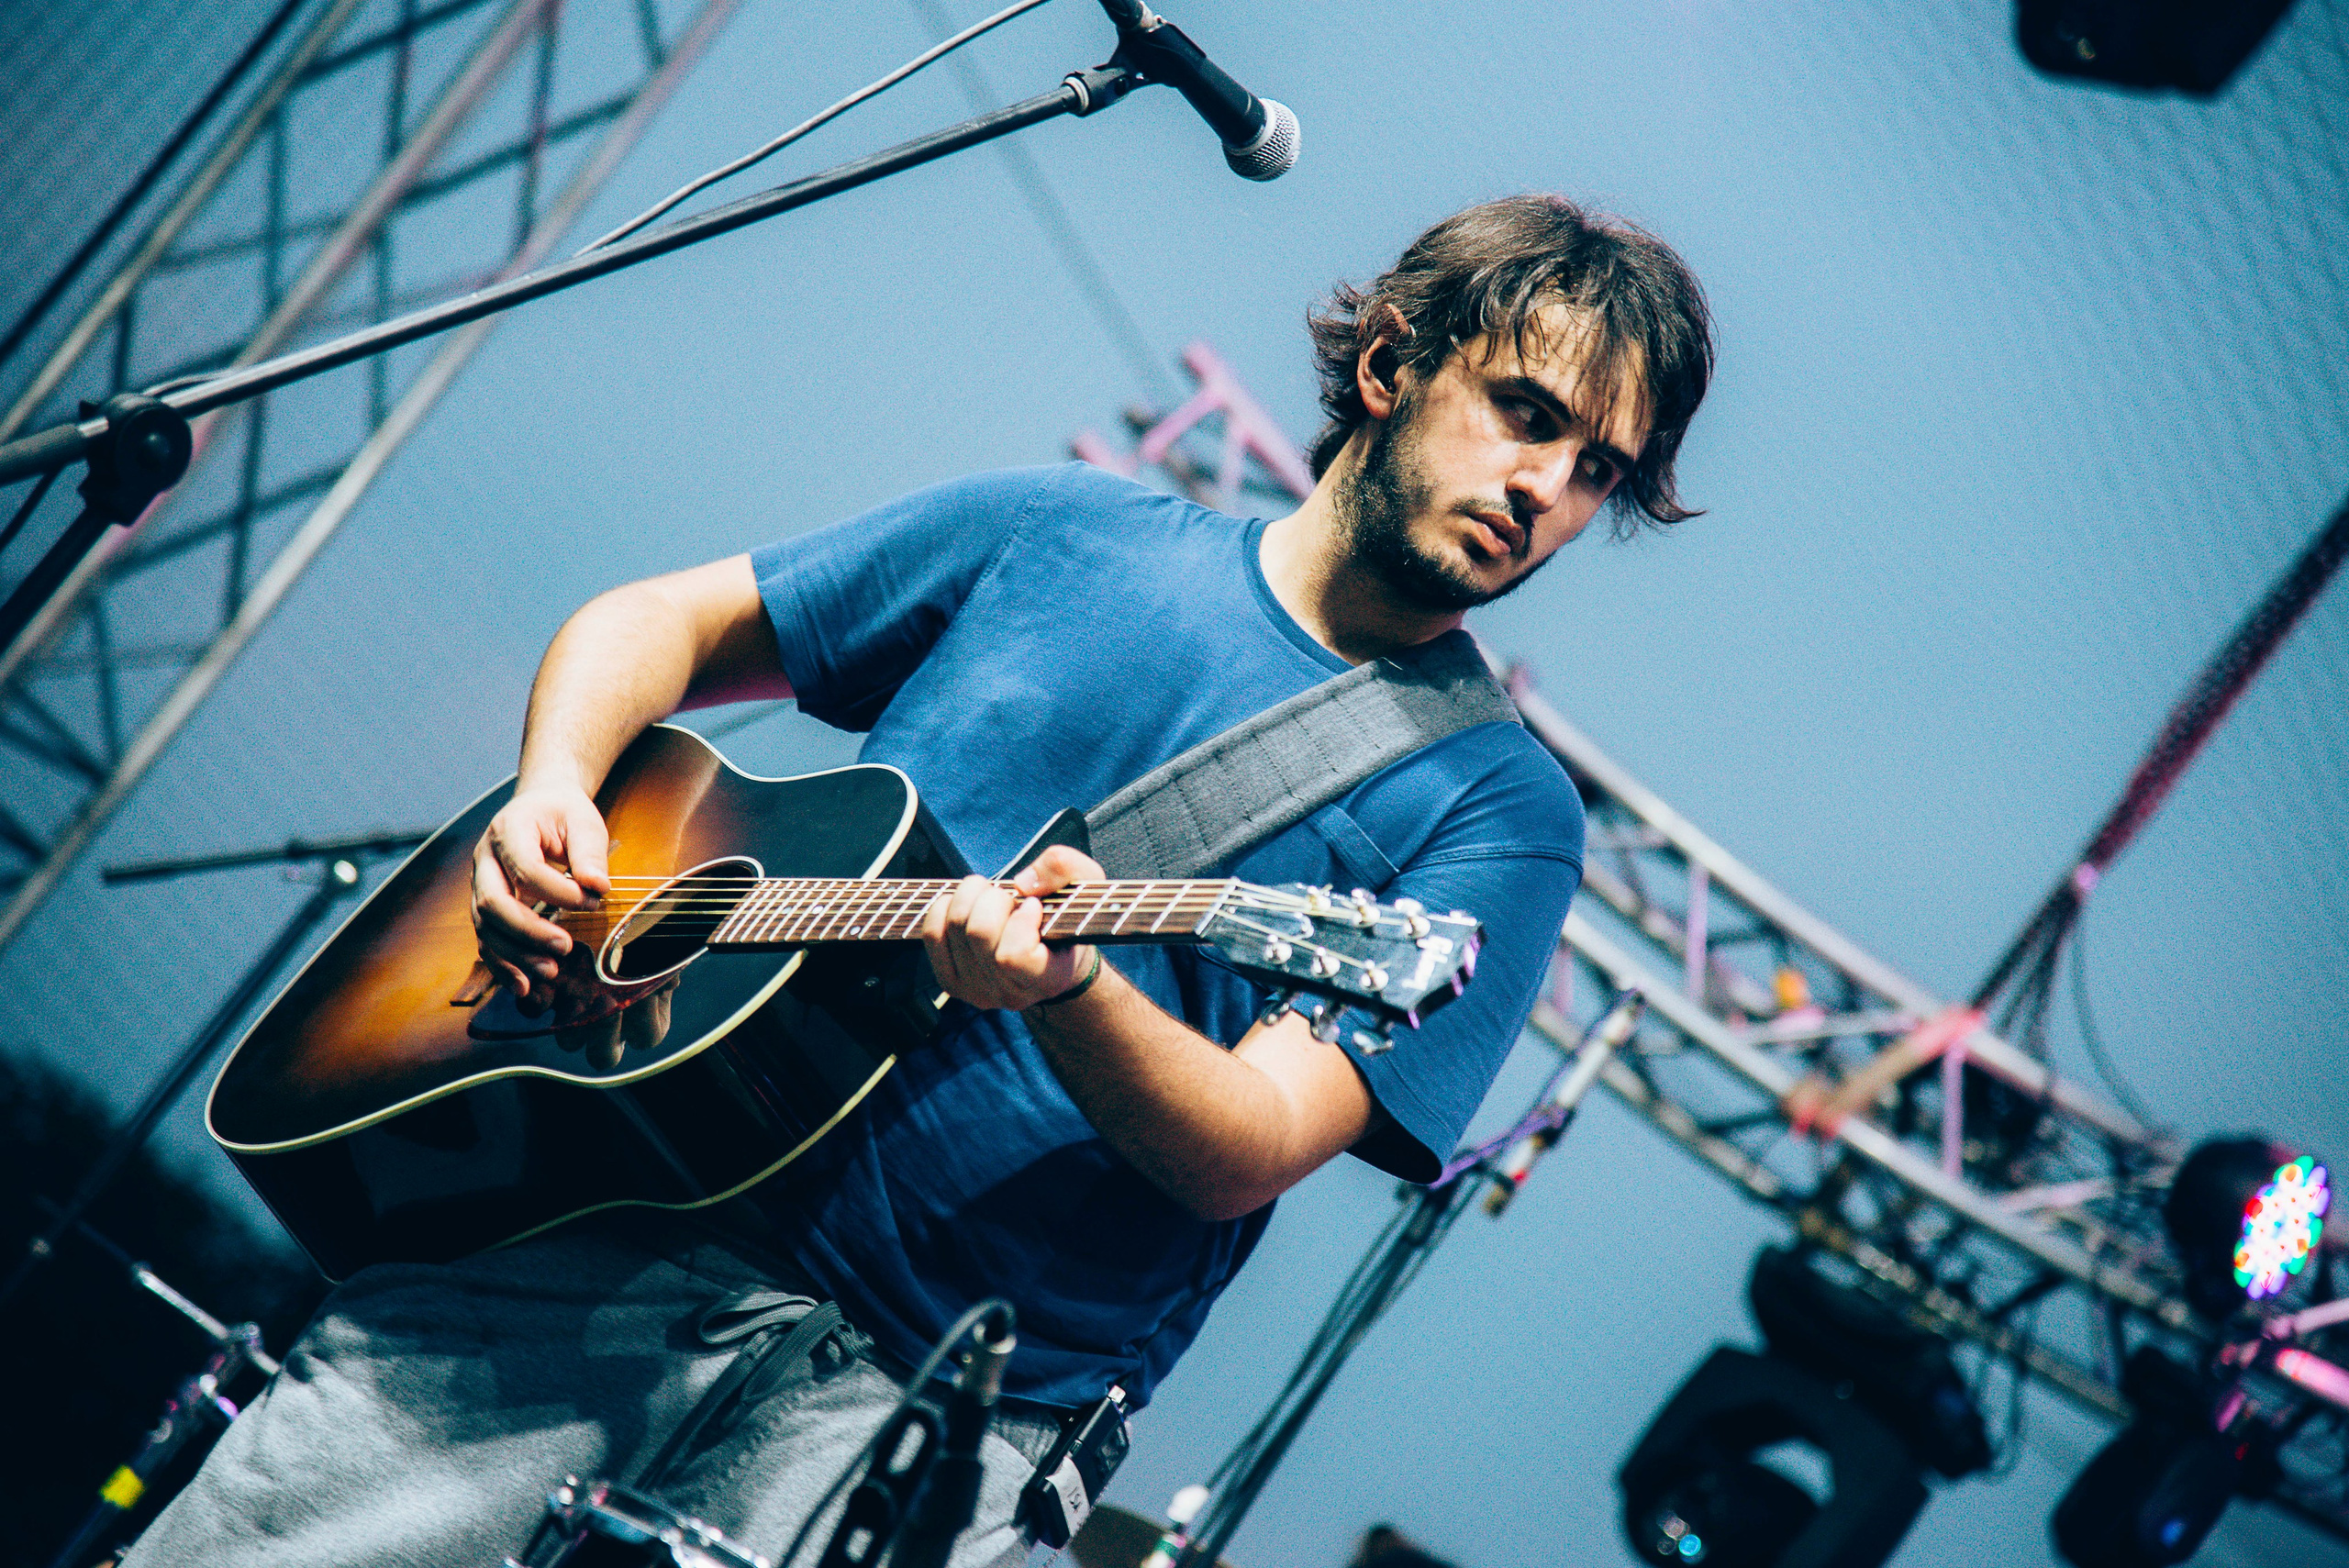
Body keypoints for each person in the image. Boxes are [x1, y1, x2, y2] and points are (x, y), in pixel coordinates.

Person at [127, 194, 1712, 1568]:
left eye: (1595, 471)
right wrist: (555, 791)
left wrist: (1074, 986)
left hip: (916, 1417)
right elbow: (654, 626)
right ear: (1389, 364)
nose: (1546, 487)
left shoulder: (1499, 811)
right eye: (1523, 411)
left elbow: (1257, 1144)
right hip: (592, 1232)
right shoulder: (1063, 532)